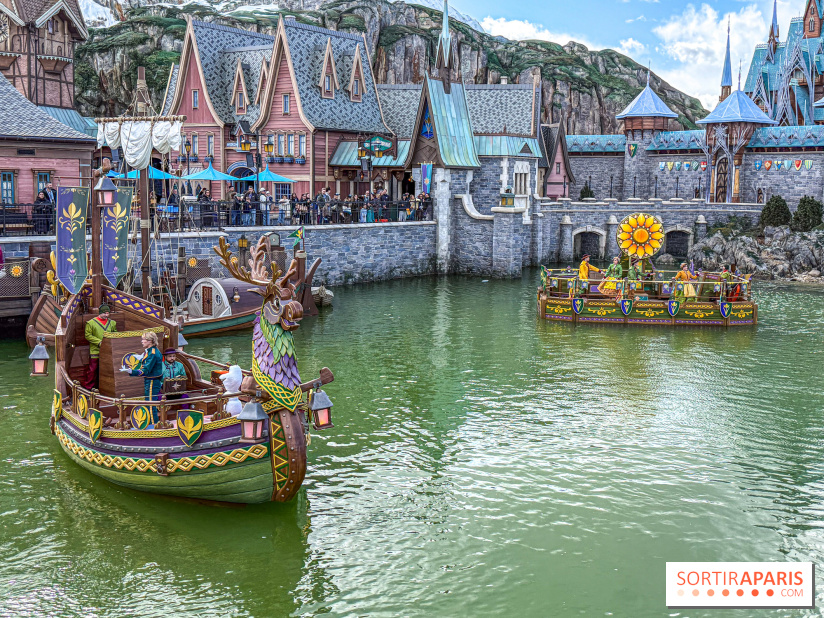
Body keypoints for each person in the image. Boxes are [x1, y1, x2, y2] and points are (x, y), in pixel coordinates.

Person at [121, 331, 164, 423]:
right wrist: (141, 358)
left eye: (144, 339)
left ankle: (154, 425)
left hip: (152, 381)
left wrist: (131, 371)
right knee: (149, 403)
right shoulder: (150, 351)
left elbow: (145, 371)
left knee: (151, 404)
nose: (142, 341)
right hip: (150, 380)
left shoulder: (152, 354)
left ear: (150, 341)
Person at [83, 304, 117, 390]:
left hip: (108, 351)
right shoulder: (91, 323)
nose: (106, 315)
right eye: (105, 313)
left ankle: (105, 389)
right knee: (92, 370)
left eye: (108, 313)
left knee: (106, 370)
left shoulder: (112, 323)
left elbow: (115, 334)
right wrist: (99, 342)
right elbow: (88, 335)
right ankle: (88, 388)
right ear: (100, 313)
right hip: (95, 350)